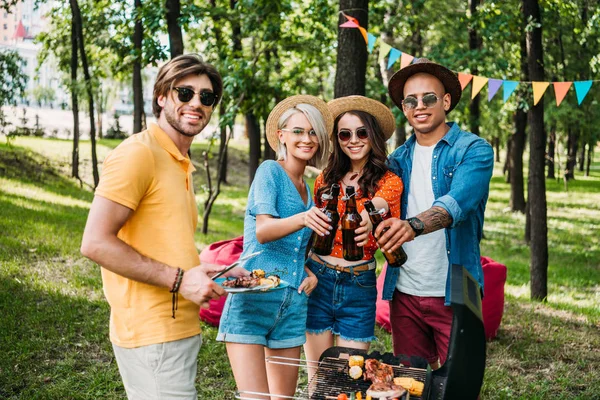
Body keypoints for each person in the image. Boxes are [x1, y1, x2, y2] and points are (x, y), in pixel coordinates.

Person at [80, 54, 242, 400]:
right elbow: (95, 242)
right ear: (162, 96)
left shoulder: (179, 161)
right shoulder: (138, 154)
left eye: (206, 97)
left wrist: (202, 269)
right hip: (151, 332)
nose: (196, 103)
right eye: (185, 93)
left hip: (178, 325)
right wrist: (181, 279)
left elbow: (159, 241)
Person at [376, 58, 494, 369]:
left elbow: (456, 204)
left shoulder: (474, 150)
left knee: (460, 386)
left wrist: (412, 226)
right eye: (411, 100)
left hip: (456, 292)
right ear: (404, 108)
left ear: (445, 101)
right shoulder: (396, 160)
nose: (420, 106)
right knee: (410, 382)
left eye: (429, 98)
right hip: (404, 291)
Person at [217, 95, 333, 400]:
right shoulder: (269, 171)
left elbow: (294, 248)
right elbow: (264, 230)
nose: (306, 139)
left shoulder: (309, 188)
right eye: (297, 131)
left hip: (293, 305)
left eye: (312, 133)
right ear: (281, 135)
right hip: (254, 300)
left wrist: (309, 271)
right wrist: (304, 217)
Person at [303, 95, 403, 381]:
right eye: (345, 133)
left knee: (350, 377)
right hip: (318, 279)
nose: (354, 140)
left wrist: (369, 215)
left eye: (362, 132)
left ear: (373, 135)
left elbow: (383, 202)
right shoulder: (325, 179)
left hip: (358, 285)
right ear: (337, 138)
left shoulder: (389, 181)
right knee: (318, 376)